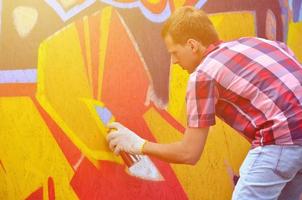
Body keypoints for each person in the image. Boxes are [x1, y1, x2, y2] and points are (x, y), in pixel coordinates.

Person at [106, 6, 302, 200]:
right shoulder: (261, 44)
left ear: (192, 45)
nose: (173, 61)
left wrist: (139, 145)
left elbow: (189, 153)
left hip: (280, 141)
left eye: (174, 52)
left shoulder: (203, 75)